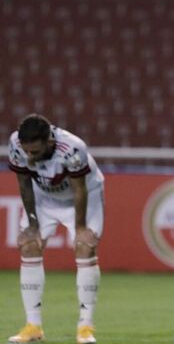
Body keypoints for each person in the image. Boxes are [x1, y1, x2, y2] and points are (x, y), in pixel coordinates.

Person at [7, 114, 104, 344]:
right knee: (30, 246)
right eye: (26, 151)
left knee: (84, 247)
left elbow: (79, 189)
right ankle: (33, 327)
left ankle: (85, 329)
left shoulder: (72, 148)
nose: (29, 157)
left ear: (49, 142)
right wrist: (32, 223)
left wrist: (80, 227)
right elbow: (23, 182)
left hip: (82, 198)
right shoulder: (16, 144)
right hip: (43, 199)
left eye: (35, 152)